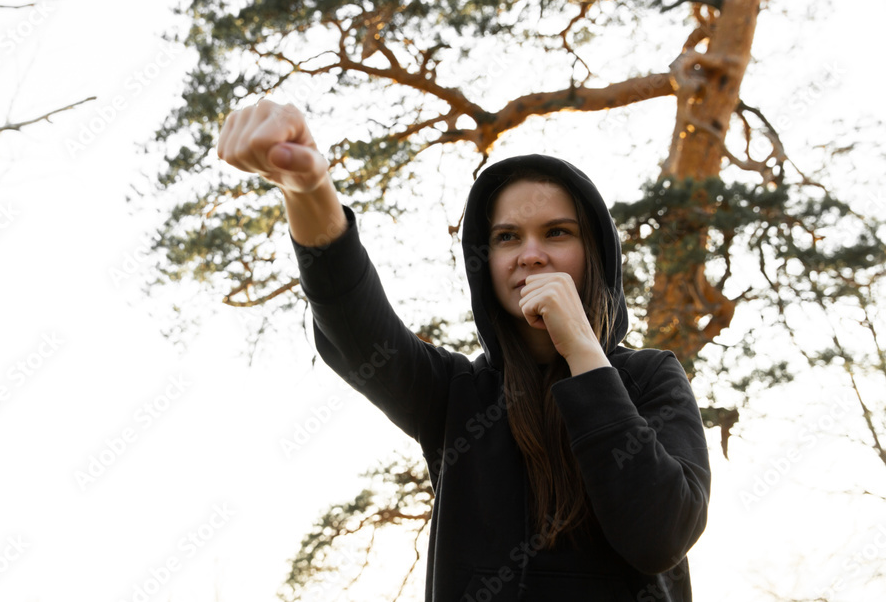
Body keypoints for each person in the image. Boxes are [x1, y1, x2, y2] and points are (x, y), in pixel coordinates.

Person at [217, 100, 711, 602]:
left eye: (557, 232)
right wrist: (308, 188)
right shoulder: (455, 395)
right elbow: (355, 324)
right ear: (485, 262)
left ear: (596, 254)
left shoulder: (652, 377)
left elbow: (661, 534)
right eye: (507, 237)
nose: (530, 254)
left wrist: (583, 350)